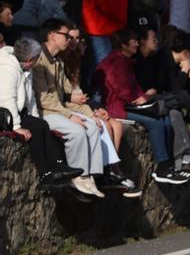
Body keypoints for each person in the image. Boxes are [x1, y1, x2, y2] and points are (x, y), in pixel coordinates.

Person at [32, 19, 138, 198]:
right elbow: (45, 100)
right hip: (44, 112)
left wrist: (91, 114)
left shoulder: (57, 61)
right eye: (66, 35)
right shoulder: (39, 60)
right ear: (51, 36)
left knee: (92, 126)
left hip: (58, 109)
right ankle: (77, 175)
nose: (69, 40)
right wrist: (69, 116)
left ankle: (90, 176)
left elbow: (68, 96)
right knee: (78, 131)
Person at [91, 29, 190, 184]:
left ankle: (170, 165)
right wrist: (141, 98)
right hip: (118, 107)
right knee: (155, 123)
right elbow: (121, 89)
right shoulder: (115, 62)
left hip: (130, 104)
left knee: (164, 118)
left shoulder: (126, 61)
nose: (137, 44)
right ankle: (162, 167)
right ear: (123, 44)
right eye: (133, 41)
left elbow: (135, 87)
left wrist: (143, 97)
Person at [0, 37, 82, 188]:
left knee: (42, 124)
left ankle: (59, 166)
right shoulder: (8, 68)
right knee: (38, 127)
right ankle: (45, 174)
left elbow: (30, 98)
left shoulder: (25, 67)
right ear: (31, 58)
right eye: (37, 58)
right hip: (4, 114)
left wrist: (34, 116)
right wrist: (17, 127)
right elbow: (6, 99)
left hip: (18, 112)